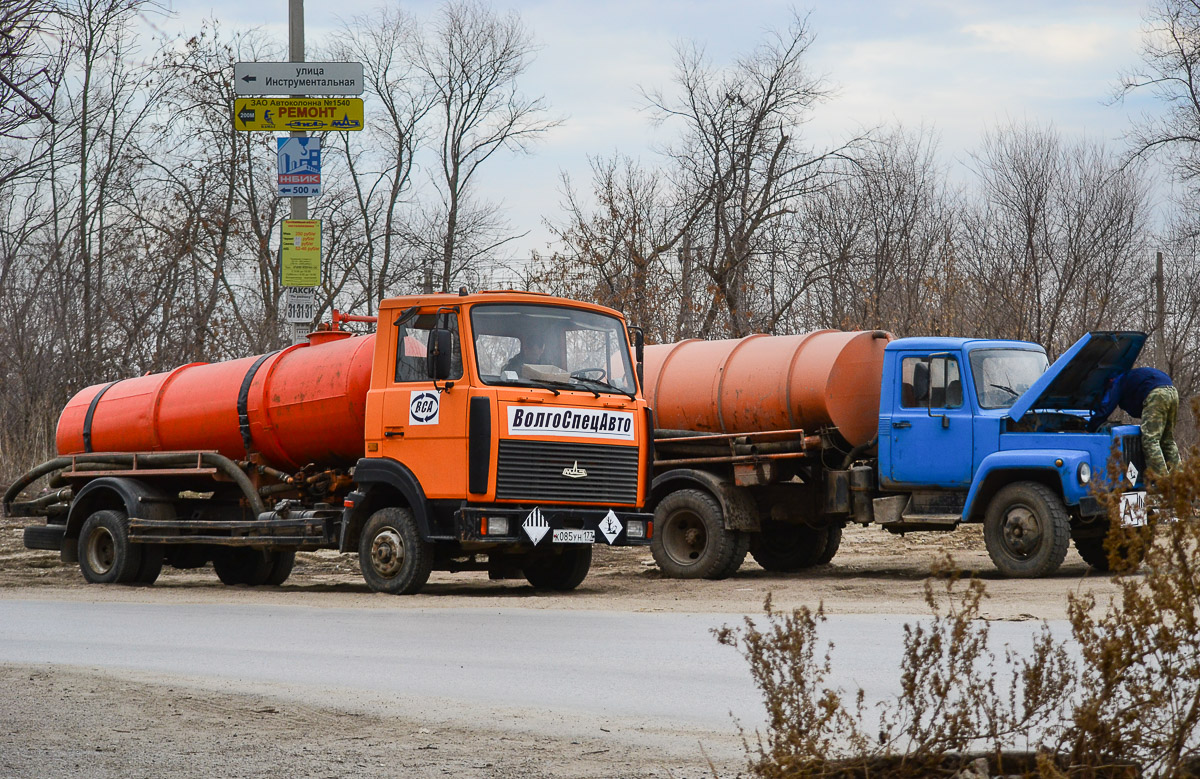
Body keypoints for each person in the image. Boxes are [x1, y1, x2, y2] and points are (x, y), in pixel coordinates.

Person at [1088, 366, 1181, 476]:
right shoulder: (1130, 377)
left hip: (1156, 394)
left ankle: (1162, 482)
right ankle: (1180, 480)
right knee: (1167, 440)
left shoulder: (1117, 381)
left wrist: (1091, 427)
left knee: (1150, 440)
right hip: (1172, 392)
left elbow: (1106, 407)